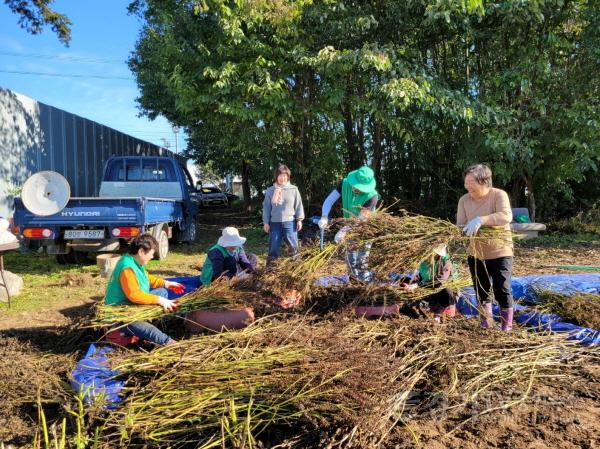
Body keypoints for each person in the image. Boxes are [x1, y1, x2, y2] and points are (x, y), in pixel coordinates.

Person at [457, 163, 514, 331]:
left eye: (471, 182)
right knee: (481, 289)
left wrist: (481, 220)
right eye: (466, 183)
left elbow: (506, 216)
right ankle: (486, 323)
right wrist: (462, 231)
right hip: (475, 252)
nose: (467, 186)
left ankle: (506, 326)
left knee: (502, 289)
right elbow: (460, 225)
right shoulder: (464, 200)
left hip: (500, 251)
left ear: (484, 181)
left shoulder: (498, 195)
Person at [105, 235, 185, 346]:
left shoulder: (135, 262)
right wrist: (159, 300)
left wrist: (166, 283)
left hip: (132, 304)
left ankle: (150, 319)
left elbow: (146, 278)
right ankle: (168, 342)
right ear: (141, 251)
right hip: (122, 311)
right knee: (144, 327)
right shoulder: (127, 267)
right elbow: (134, 295)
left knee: (162, 292)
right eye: (151, 253)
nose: (152, 256)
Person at [318, 166, 379, 282]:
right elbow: (329, 200)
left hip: (366, 229)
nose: (357, 189)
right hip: (349, 225)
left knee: (362, 259)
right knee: (350, 258)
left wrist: (343, 231)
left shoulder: (372, 196)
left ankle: (364, 282)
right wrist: (324, 216)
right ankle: (353, 282)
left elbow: (361, 219)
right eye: (356, 186)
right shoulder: (345, 184)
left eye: (361, 188)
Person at [400, 246, 457, 323]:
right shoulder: (426, 261)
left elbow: (439, 282)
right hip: (428, 288)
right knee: (405, 279)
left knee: (447, 291)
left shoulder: (446, 263)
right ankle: (409, 305)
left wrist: (416, 285)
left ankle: (437, 314)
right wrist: (411, 283)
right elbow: (421, 276)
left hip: (441, 292)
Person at [262, 164, 305, 265]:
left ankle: (297, 266)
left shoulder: (294, 189)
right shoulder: (270, 191)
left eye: (285, 175)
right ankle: (271, 267)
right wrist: (266, 223)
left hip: (290, 223)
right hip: (274, 223)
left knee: (293, 245)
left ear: (288, 176)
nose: (283, 178)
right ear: (276, 176)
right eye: (280, 175)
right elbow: (266, 208)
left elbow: (298, 205)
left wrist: (299, 220)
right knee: (274, 246)